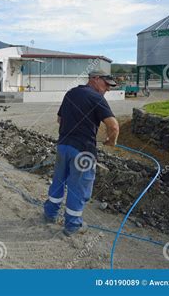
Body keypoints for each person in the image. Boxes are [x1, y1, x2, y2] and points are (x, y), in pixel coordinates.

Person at [43, 69, 120, 236]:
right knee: (78, 188)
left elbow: (59, 119)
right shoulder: (96, 97)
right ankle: (72, 225)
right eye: (106, 84)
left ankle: (50, 214)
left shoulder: (71, 93)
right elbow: (113, 126)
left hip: (63, 146)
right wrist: (111, 141)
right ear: (95, 79)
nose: (108, 89)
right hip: (83, 151)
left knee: (58, 180)